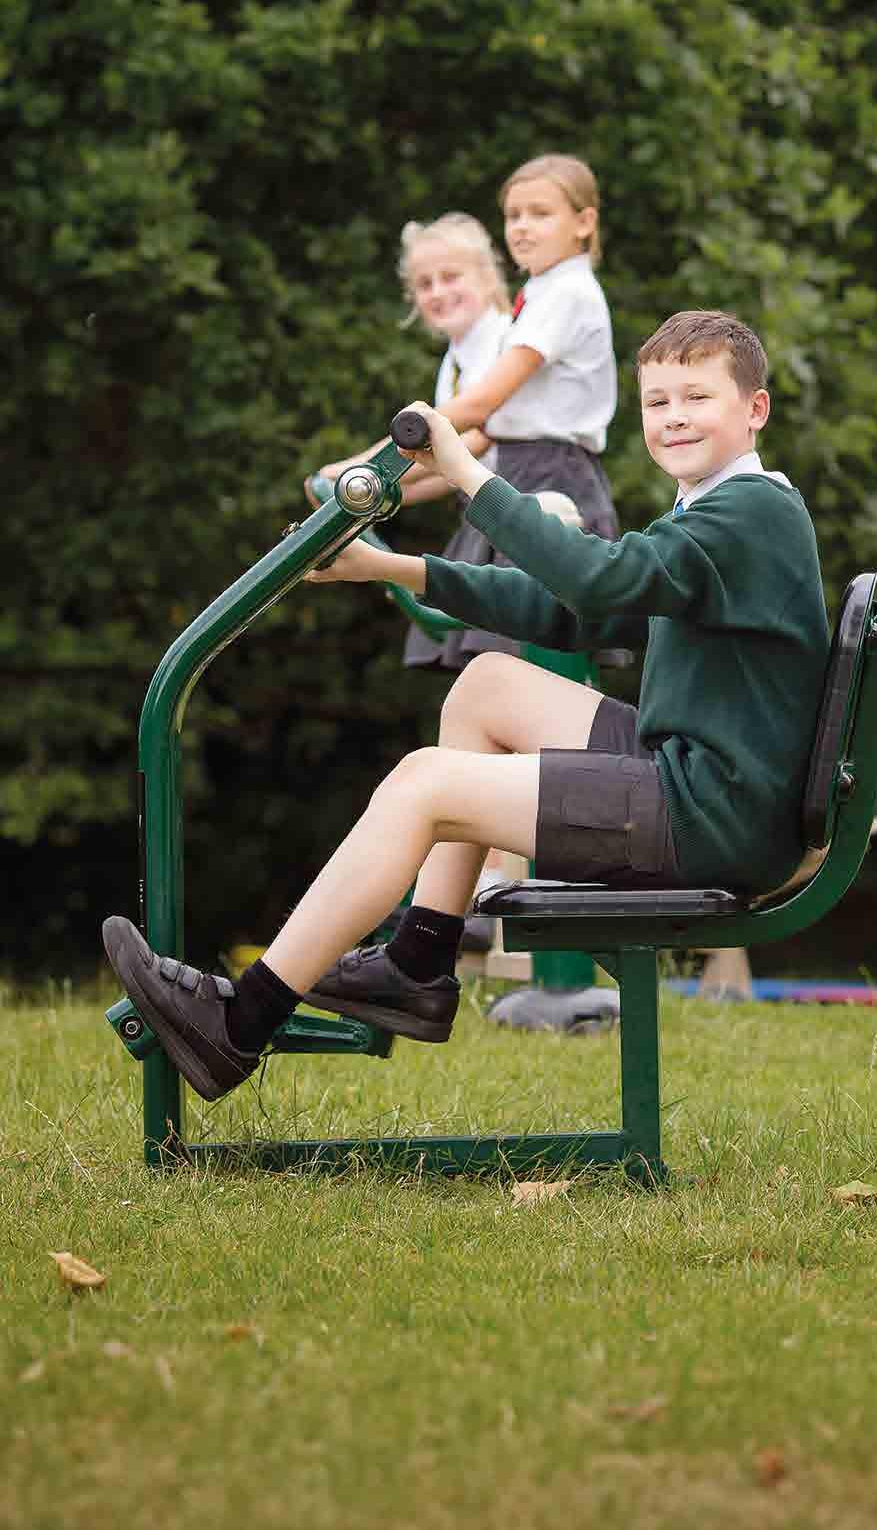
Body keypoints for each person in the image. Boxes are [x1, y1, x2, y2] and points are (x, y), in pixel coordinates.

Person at [102, 309, 830, 1102]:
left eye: (697, 397)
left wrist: (466, 472)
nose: (674, 417)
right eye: (658, 401)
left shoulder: (746, 513)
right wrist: (393, 568)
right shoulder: (719, 508)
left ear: (754, 409)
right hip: (708, 783)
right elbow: (575, 613)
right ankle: (418, 960)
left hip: (709, 813)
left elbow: (598, 580)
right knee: (488, 685)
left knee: (424, 783)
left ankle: (238, 1025)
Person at [311, 155, 621, 669]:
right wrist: (373, 492)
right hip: (523, 471)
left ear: (584, 222)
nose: (522, 227)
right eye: (513, 215)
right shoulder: (542, 292)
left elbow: (478, 414)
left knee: (523, 655)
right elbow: (463, 448)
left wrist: (361, 470)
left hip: (549, 477)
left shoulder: (567, 293)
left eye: (540, 213)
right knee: (494, 656)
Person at [699, 604, 877, 1001]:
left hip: (823, 835)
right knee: (734, 896)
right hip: (828, 830)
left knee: (730, 891)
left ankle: (723, 988)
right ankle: (726, 991)